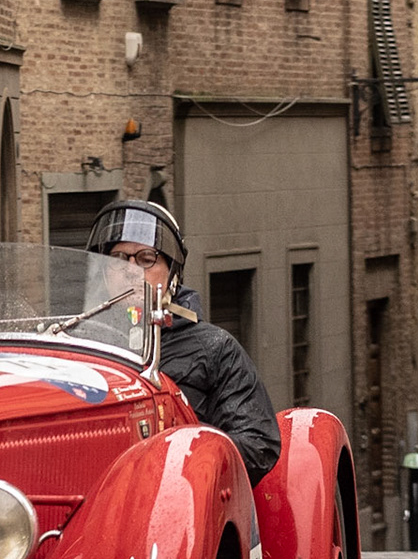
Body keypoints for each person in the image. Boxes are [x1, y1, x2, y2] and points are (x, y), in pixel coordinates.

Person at [85, 200, 282, 486]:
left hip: (183, 495)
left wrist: (189, 455)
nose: (130, 269)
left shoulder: (215, 348)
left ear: (172, 273)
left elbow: (259, 443)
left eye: (145, 258)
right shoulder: (81, 342)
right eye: (117, 258)